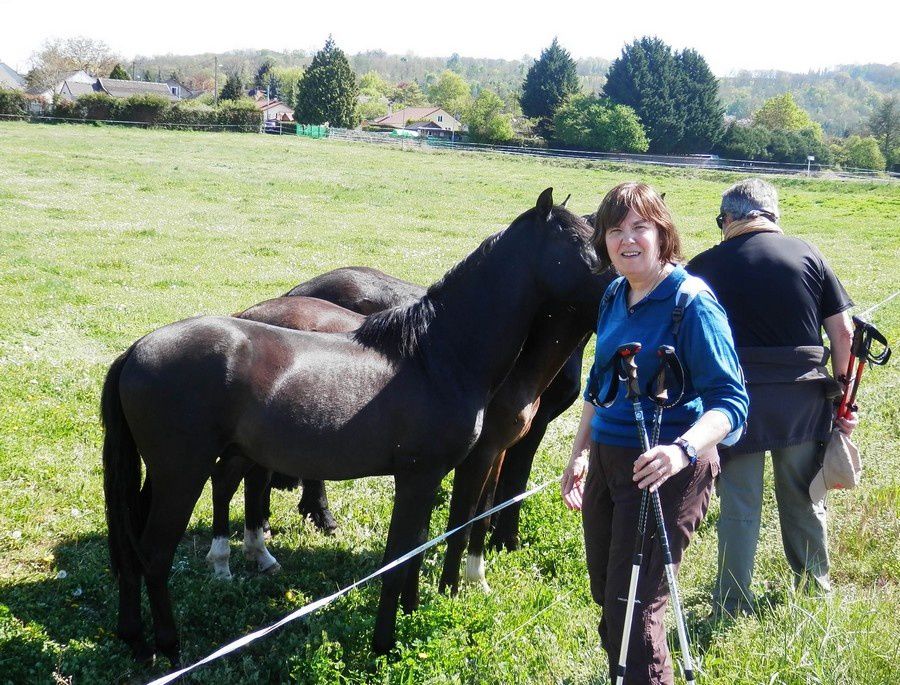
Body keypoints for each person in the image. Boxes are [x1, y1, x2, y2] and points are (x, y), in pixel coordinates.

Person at [561, 182, 748, 685]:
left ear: (662, 233)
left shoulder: (691, 303)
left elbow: (733, 404)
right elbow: (600, 387)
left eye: (639, 227)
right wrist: (580, 453)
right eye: (614, 230)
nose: (627, 240)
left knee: (636, 606)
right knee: (607, 591)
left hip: (666, 467)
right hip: (608, 456)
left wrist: (681, 450)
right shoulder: (614, 295)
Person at [686, 178, 858, 618]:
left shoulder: (703, 265)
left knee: (739, 506)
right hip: (802, 402)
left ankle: (730, 603)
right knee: (804, 495)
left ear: (728, 218)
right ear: (771, 216)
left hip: (733, 406)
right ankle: (814, 591)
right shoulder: (809, 254)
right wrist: (844, 399)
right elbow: (843, 332)